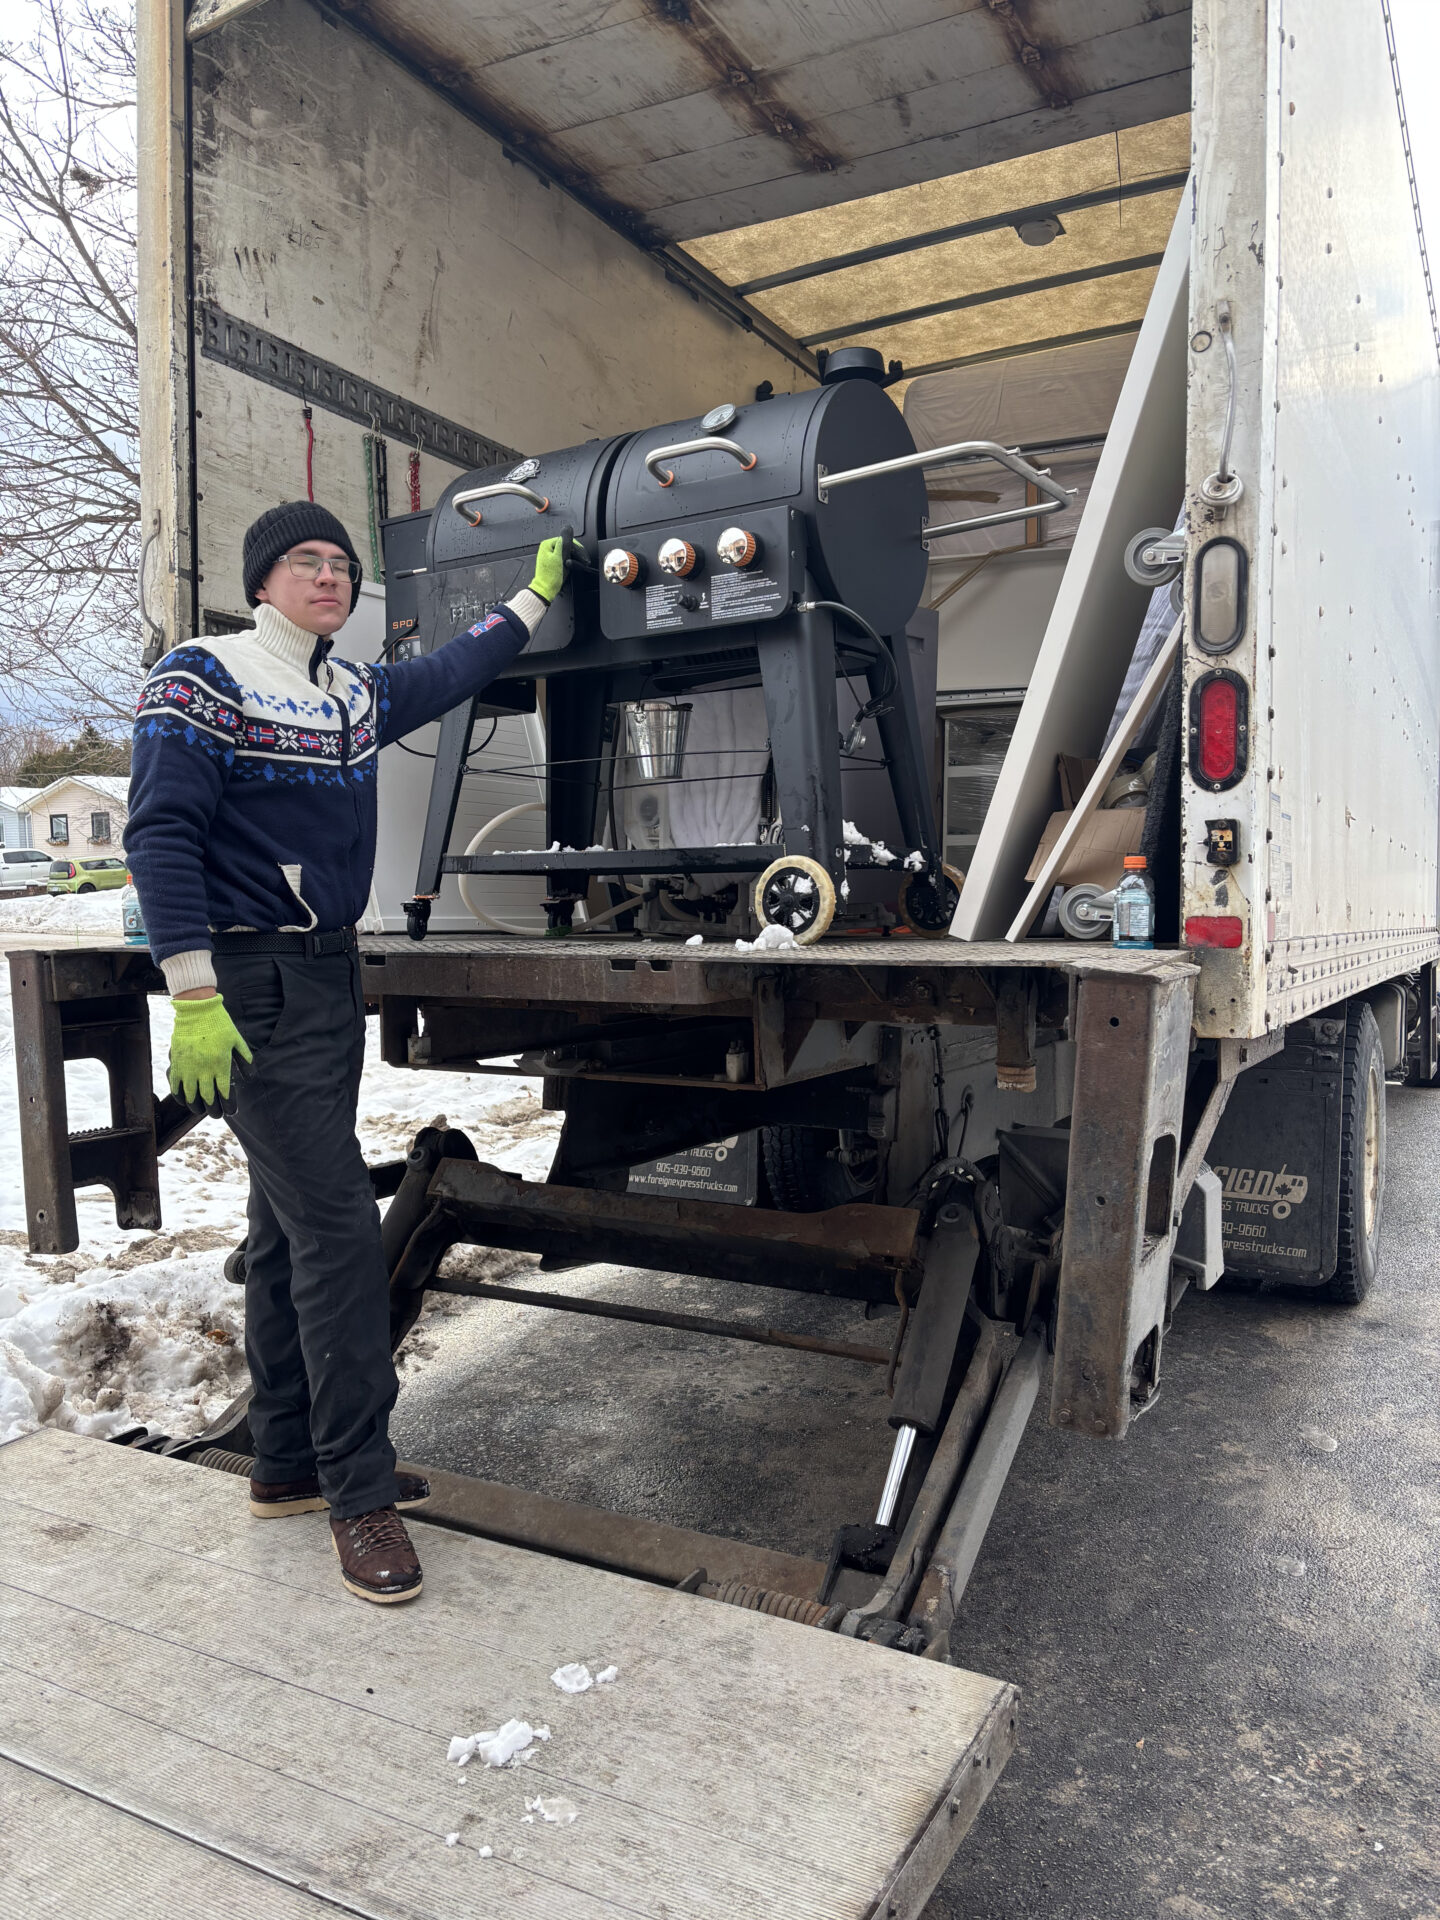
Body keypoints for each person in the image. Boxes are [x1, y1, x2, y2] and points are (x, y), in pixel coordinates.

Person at [125, 500, 566, 1604]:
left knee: (282, 1230)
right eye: (303, 562)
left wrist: (534, 600)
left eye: (341, 565)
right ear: (262, 580)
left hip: (327, 973)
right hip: (245, 983)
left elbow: (457, 669)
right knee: (334, 1234)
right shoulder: (205, 676)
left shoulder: (351, 693)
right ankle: (358, 1495)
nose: (327, 577)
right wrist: (191, 993)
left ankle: (284, 1465)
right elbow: (160, 832)